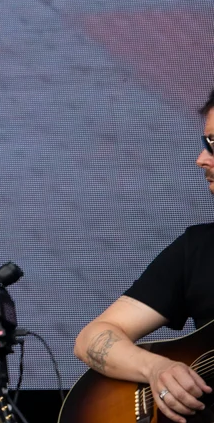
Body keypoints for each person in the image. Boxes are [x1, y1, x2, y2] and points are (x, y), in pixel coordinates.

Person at [72, 89, 214, 423]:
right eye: (207, 142)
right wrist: (156, 368)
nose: (201, 158)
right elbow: (90, 338)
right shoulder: (198, 248)